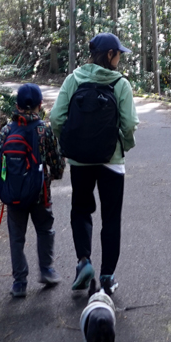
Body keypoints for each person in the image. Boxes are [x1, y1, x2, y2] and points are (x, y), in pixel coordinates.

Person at [49, 33, 138, 297]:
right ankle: (108, 278)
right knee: (111, 218)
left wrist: (69, 142)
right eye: (118, 53)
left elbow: (56, 118)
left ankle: (84, 262)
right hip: (112, 162)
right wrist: (124, 145)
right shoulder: (120, 84)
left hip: (80, 160)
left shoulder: (73, 79)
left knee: (81, 210)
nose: (120, 58)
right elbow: (130, 124)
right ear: (110, 55)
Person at [0, 83, 65, 298]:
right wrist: (51, 175)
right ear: (39, 105)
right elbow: (58, 164)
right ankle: (46, 270)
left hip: (14, 197)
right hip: (40, 194)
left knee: (17, 237)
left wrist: (8, 187)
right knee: (45, 230)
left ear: (16, 105)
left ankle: (19, 282)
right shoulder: (44, 130)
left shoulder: (6, 131)